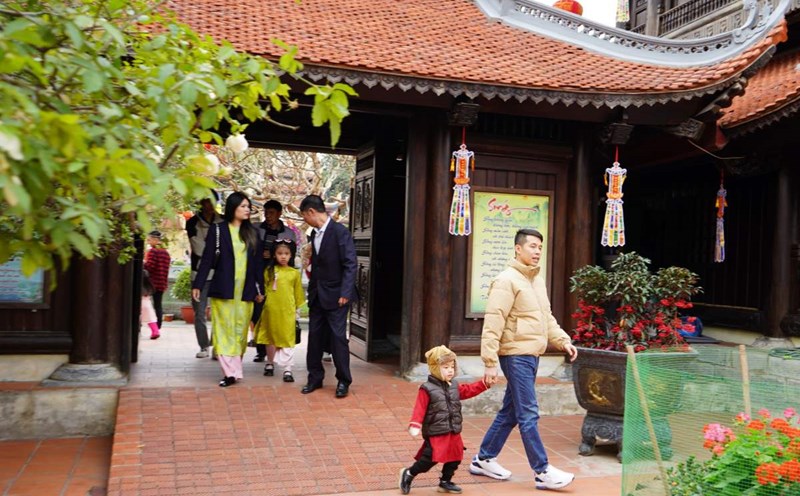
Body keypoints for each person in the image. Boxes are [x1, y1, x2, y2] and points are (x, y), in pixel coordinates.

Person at [469, 228, 579, 490]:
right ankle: (542, 471)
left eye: (540, 247)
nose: (537, 251)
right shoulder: (506, 280)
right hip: (516, 355)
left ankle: (483, 459)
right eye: (532, 246)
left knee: (511, 411)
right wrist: (489, 361)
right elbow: (493, 322)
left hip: (532, 354)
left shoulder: (536, 280)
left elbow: (546, 317)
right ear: (518, 249)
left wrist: (563, 340)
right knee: (528, 413)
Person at [192, 192, 265, 387]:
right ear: (232, 208)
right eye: (243, 206)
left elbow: (258, 264)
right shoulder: (218, 230)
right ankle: (230, 373)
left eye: (248, 206)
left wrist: (261, 289)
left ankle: (234, 368)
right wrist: (198, 284)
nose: (247, 209)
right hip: (223, 288)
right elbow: (207, 259)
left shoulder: (253, 232)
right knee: (223, 331)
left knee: (240, 332)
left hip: (246, 291)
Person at [399, 345, 491, 495]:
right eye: (445, 367)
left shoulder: (454, 385)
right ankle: (409, 473)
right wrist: (415, 423)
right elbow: (419, 408)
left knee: (455, 457)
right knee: (429, 460)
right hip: (436, 431)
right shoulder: (426, 388)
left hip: (453, 429)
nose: (450, 370)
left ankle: (445, 481)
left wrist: (484, 384)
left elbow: (468, 390)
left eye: (452, 366)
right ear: (435, 368)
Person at [299, 194, 357, 398]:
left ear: (311, 212)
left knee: (338, 338)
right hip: (317, 295)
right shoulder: (314, 235)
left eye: (304, 216)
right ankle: (314, 378)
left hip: (336, 296)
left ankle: (343, 380)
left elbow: (350, 264)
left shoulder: (340, 232)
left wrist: (345, 292)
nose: (304, 220)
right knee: (314, 337)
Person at [254, 239, 305, 382]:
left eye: (286, 253)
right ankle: (270, 363)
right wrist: (259, 296)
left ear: (291, 255)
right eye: (280, 253)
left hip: (287, 310)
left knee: (288, 338)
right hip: (271, 309)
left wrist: (297, 310)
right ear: (274, 255)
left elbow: (298, 293)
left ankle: (288, 369)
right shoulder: (269, 271)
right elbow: (262, 288)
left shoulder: (294, 273)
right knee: (270, 336)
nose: (283, 256)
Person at [252, 199, 297, 362]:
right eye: (266, 213)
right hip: (259, 276)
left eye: (271, 213)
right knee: (258, 313)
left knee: (277, 316)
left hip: (279, 278)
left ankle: (277, 349)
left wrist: (273, 256)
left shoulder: (288, 234)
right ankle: (261, 350)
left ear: (279, 213)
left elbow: (290, 257)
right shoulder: (256, 229)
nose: (268, 216)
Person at [185, 195, 223, 358]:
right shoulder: (193, 222)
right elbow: (199, 248)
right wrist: (215, 251)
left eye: (211, 201)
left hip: (220, 273)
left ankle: (216, 345)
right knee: (199, 312)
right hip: (199, 273)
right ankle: (203, 346)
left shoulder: (223, 221)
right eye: (205, 201)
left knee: (220, 311)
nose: (208, 205)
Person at [143, 230, 170, 330]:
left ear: (155, 240)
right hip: (162, 283)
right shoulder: (166, 252)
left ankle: (152, 325)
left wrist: (143, 262)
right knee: (158, 305)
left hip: (152, 283)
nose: (148, 242)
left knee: (147, 304)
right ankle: (158, 326)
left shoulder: (153, 251)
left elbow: (149, 266)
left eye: (149, 240)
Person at [141, 270, 160, 340]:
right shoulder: (149, 285)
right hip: (147, 303)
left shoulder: (139, 285)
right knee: (151, 319)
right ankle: (155, 331)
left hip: (140, 303)